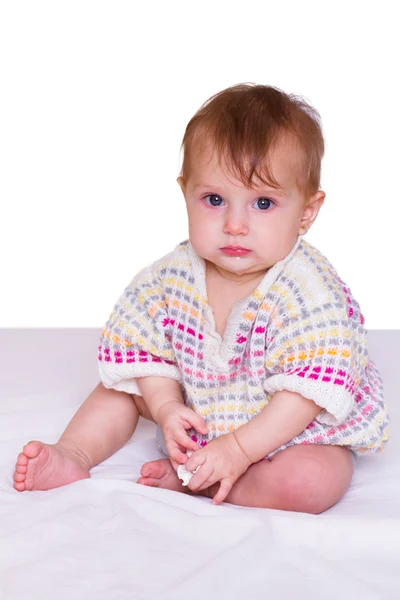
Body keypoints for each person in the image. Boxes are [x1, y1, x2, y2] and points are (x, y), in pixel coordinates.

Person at [13, 83, 389, 513]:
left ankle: (199, 481)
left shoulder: (311, 292)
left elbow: (306, 396)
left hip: (286, 431)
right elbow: (145, 348)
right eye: (214, 200)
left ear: (307, 212)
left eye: (263, 203)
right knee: (119, 384)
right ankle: (75, 453)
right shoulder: (171, 276)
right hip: (195, 416)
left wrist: (239, 449)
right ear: (185, 193)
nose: (234, 224)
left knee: (313, 481)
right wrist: (166, 404)